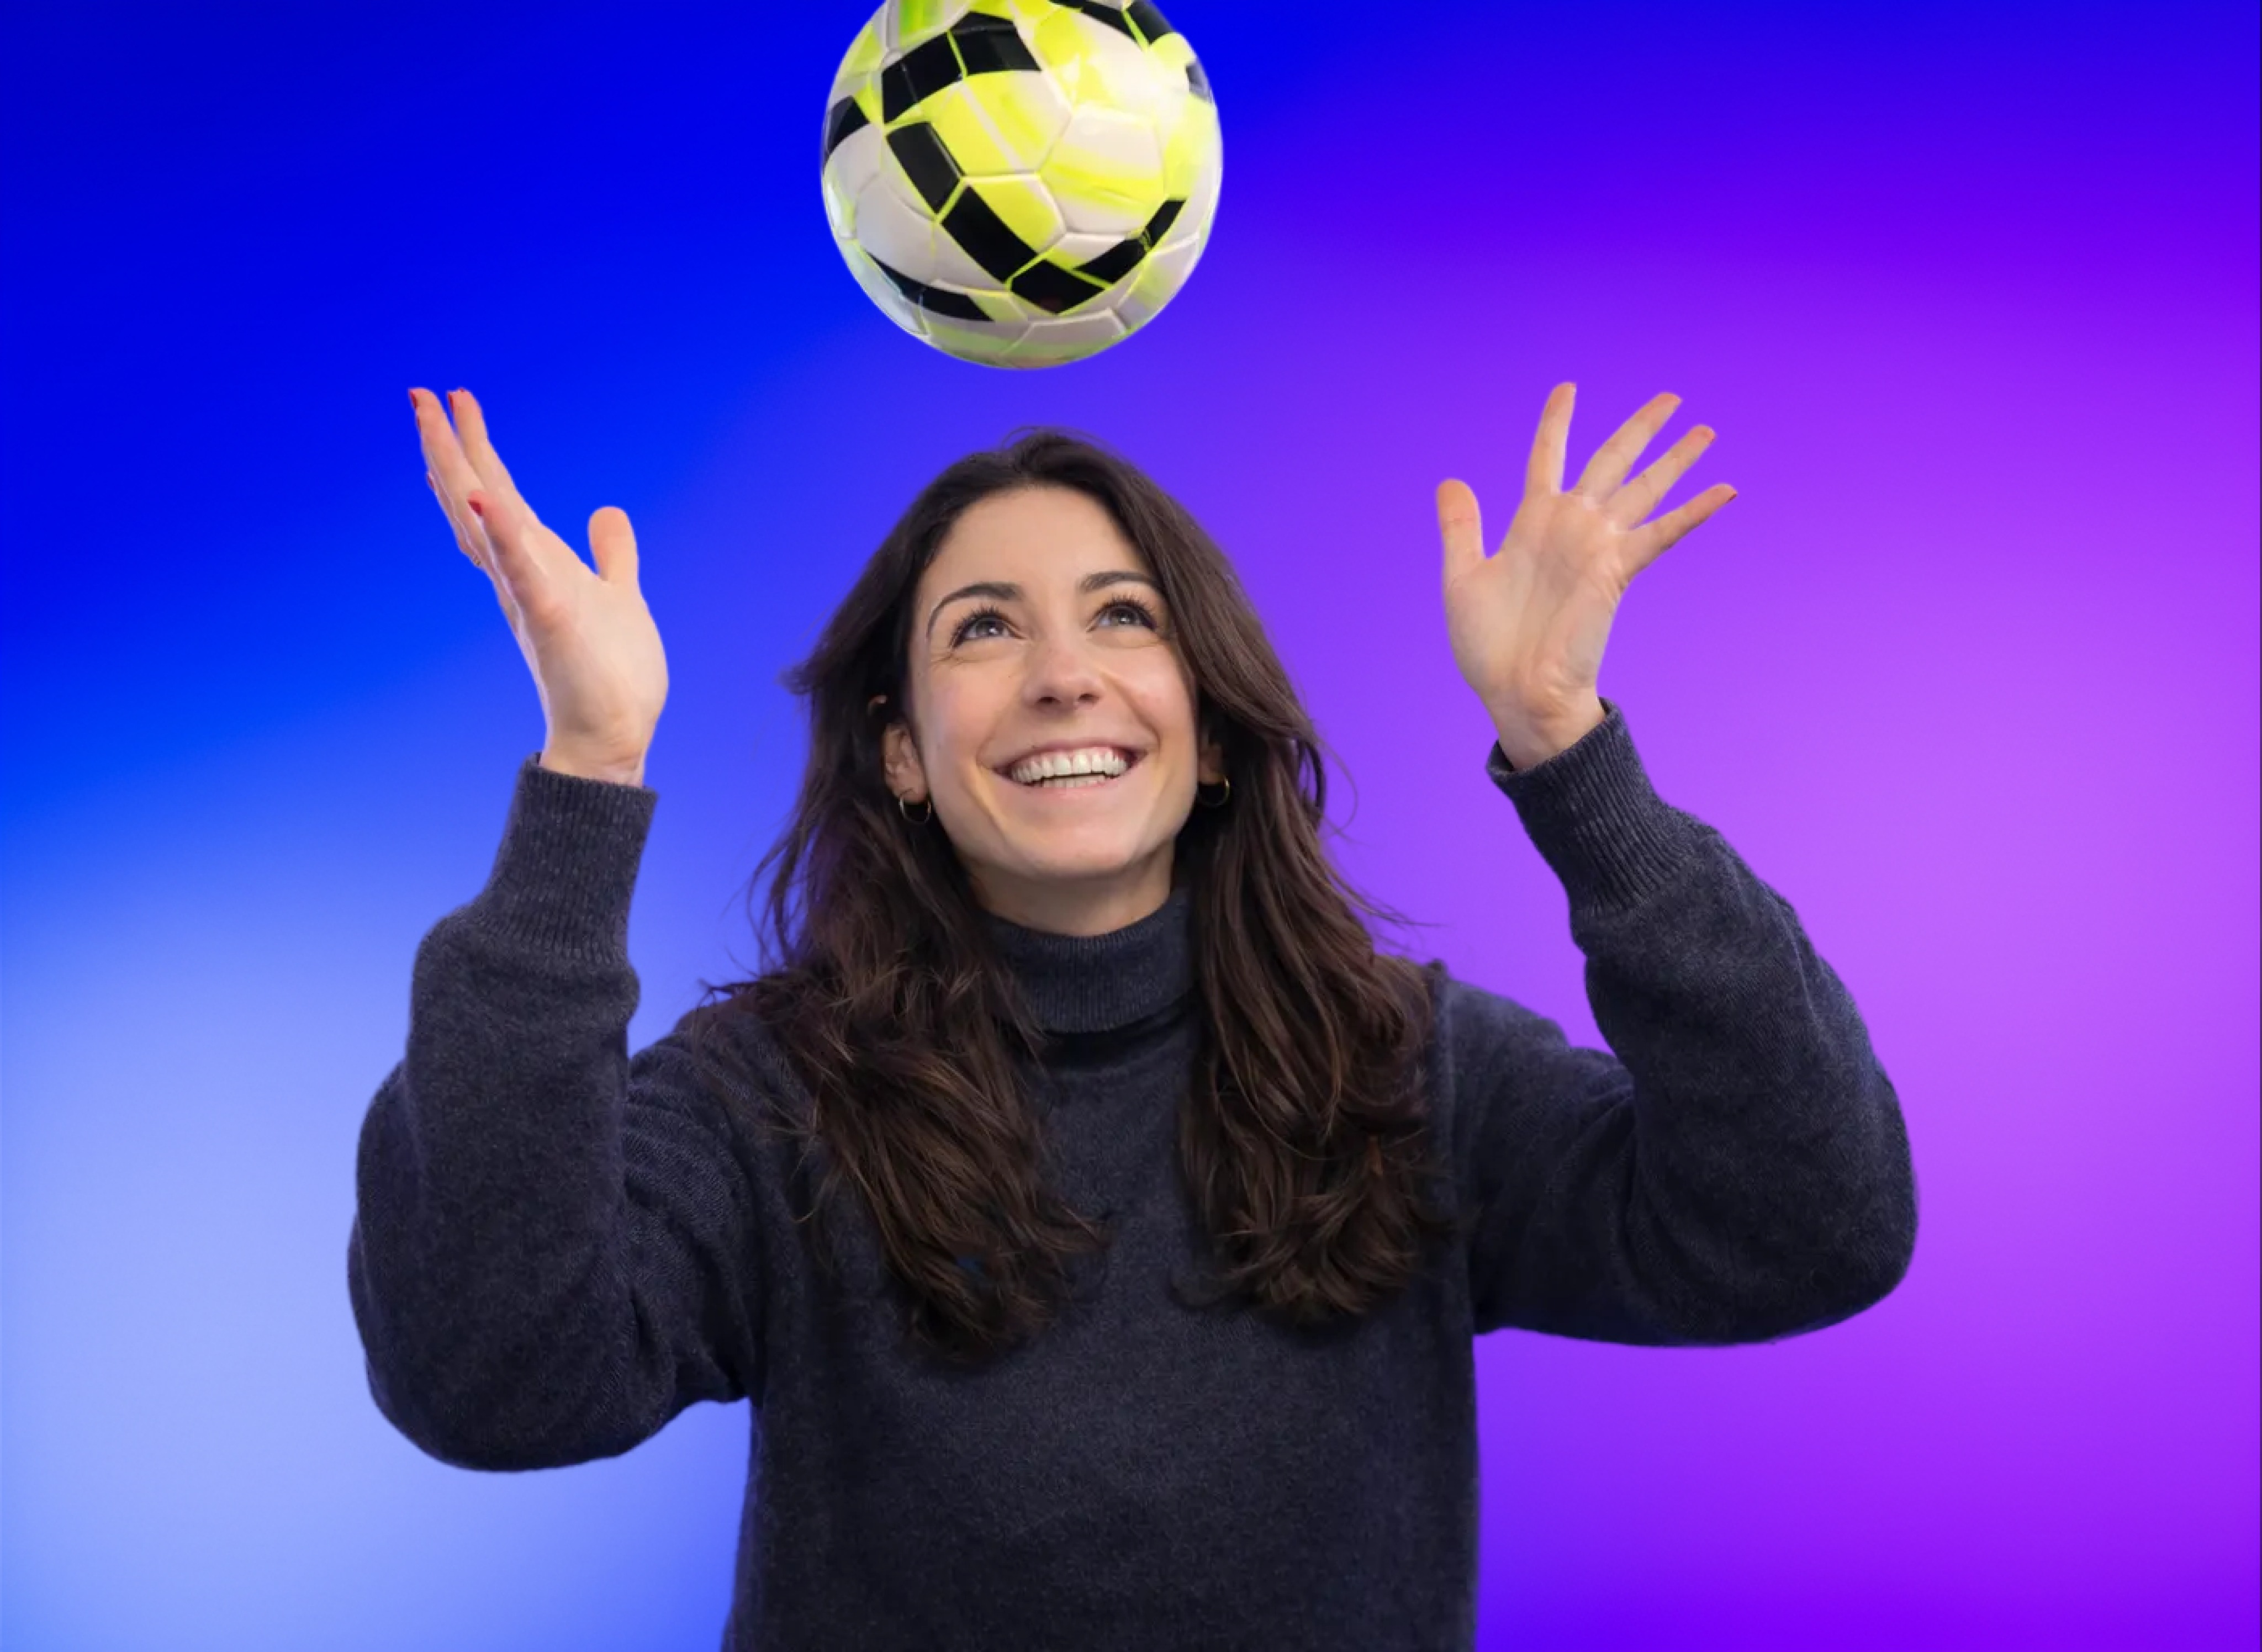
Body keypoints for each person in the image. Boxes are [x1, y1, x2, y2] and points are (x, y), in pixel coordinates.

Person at [350, 383, 1918, 1651]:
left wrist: (1571, 753)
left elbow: (1812, 1226)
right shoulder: (772, 1097)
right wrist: (590, 768)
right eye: (983, 628)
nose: (1062, 677)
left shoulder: (1414, 1072)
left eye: (1123, 617)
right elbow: (493, 1376)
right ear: (901, 755)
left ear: (1213, 733)